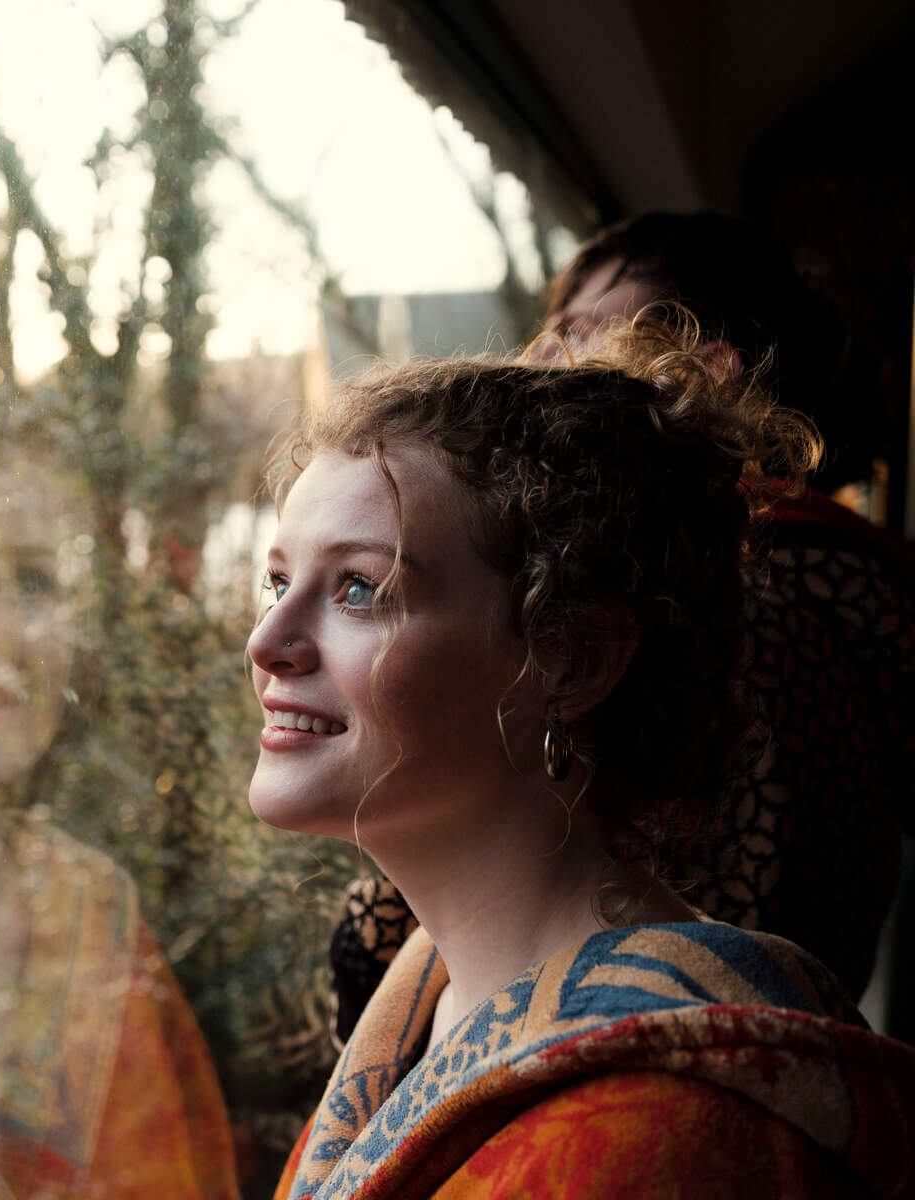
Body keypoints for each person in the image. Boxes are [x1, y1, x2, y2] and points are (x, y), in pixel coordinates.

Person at [249, 317, 915, 1198]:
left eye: (362, 590)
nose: (269, 641)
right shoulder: (436, 1003)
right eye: (276, 580)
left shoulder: (660, 1142)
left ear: (571, 659)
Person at [330, 214, 915, 1041]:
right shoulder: (835, 605)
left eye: (573, 335)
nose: (532, 360)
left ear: (694, 373)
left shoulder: (740, 612)